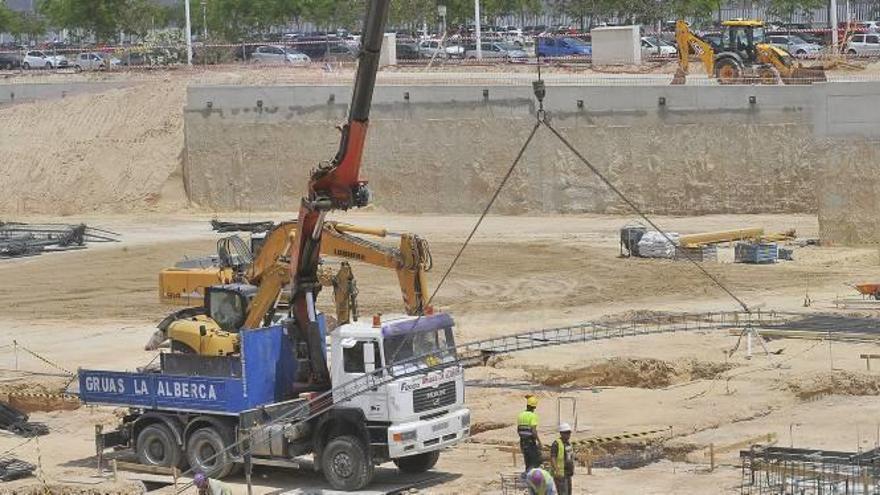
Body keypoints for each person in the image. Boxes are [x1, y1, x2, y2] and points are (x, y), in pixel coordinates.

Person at [517, 395, 542, 471]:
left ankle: (528, 477)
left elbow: (518, 429)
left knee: (527, 462)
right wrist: (539, 442)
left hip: (522, 442)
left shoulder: (520, 415)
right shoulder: (533, 416)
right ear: (534, 407)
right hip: (530, 442)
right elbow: (533, 431)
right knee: (534, 462)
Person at [550, 423, 575, 495]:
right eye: (566, 433)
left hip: (568, 473)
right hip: (560, 474)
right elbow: (553, 457)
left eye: (569, 432)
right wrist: (556, 470)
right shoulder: (556, 443)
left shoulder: (568, 443)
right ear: (561, 433)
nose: (568, 434)